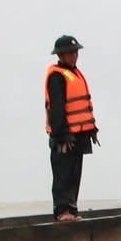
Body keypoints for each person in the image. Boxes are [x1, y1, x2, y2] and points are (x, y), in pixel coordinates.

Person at [45, 34, 97, 221]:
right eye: (69, 53)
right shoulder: (57, 77)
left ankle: (72, 210)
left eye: (75, 52)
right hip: (64, 136)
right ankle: (62, 211)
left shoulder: (75, 74)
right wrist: (62, 134)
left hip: (79, 135)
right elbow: (57, 108)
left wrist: (92, 129)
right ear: (60, 55)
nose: (74, 55)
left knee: (75, 174)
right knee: (63, 174)